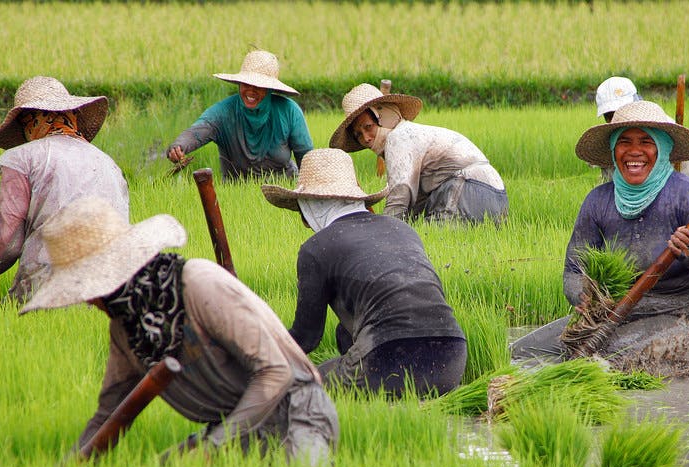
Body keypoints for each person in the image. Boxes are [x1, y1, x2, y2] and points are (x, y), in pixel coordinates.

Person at [19, 196, 338, 466]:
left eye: (88, 290)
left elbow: (276, 372)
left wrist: (212, 447)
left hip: (297, 413)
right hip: (231, 429)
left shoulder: (198, 284)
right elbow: (110, 414)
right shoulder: (126, 328)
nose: (88, 301)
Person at [510, 100, 689, 377]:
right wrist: (583, 296)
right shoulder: (598, 201)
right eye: (624, 142)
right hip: (619, 312)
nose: (634, 151)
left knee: (609, 361)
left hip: (688, 312)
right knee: (523, 353)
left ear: (661, 149)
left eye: (646, 142)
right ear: (614, 150)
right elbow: (574, 270)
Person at [261, 148, 468, 397]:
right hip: (451, 359)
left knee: (299, 388)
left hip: (386, 361)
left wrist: (259, 356)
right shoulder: (403, 229)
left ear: (309, 207)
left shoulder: (316, 248)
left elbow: (307, 337)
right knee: (344, 333)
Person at [0, 76, 129, 302]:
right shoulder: (109, 164)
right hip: (113, 292)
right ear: (71, 116)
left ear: (29, 122)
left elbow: (9, 246)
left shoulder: (22, 158)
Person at [328, 83, 508, 225]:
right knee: (426, 235)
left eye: (368, 127)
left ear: (384, 116)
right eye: (358, 135)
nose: (366, 138)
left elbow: (401, 193)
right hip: (496, 195)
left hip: (467, 189)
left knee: (437, 241)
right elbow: (415, 203)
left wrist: (384, 233)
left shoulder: (399, 137)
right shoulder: (411, 135)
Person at [166, 50, 313, 180]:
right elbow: (198, 131)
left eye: (258, 86)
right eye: (246, 84)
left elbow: (307, 158)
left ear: (269, 89)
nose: (251, 90)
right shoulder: (223, 112)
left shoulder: (289, 111)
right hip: (236, 189)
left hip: (282, 188)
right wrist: (178, 147)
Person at [594, 76, 689, 189]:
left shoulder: (666, 130)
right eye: (610, 115)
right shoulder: (609, 138)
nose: (619, 118)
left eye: (625, 109)